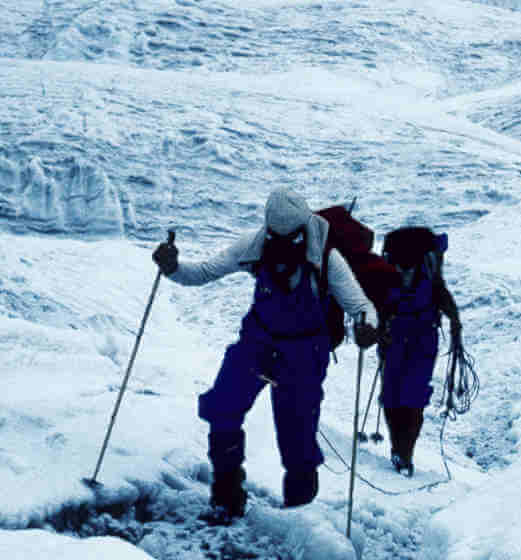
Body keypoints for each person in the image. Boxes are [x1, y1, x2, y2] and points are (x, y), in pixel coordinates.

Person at [153, 188, 381, 522]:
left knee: (297, 438)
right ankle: (226, 498)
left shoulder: (327, 256)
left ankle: (299, 517)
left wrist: (367, 326)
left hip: (304, 353)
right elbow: (202, 273)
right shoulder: (255, 244)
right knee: (222, 407)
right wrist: (173, 268)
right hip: (256, 344)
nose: (284, 244)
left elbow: (360, 306)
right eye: (277, 236)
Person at [375, 226, 460, 477]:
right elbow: (377, 301)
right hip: (394, 337)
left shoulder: (428, 267)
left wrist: (455, 322)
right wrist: (376, 326)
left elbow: (440, 292)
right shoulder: (387, 269)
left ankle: (405, 454)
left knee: (413, 395)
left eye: (406, 268)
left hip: (423, 337)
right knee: (391, 395)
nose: (401, 272)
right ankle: (398, 449)